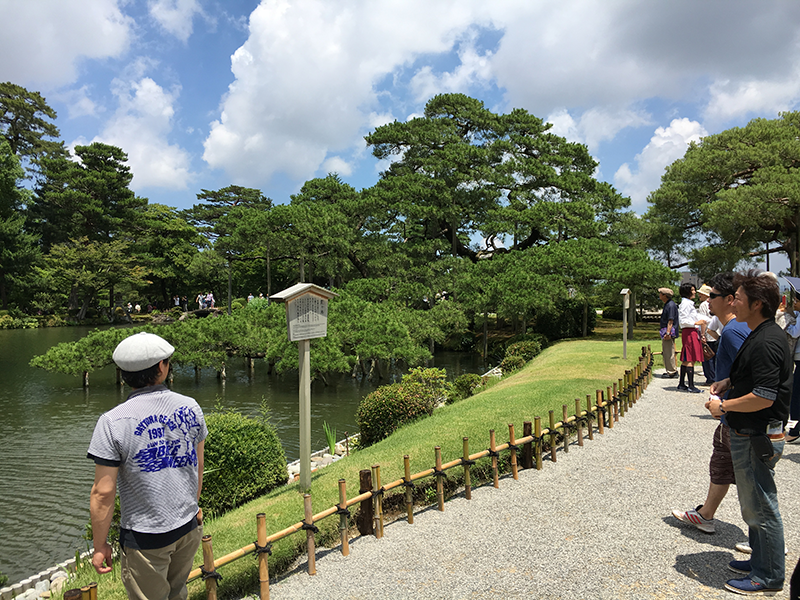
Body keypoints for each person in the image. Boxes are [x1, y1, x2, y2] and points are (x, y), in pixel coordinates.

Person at [88, 332, 207, 600]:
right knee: (178, 593)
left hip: (145, 538)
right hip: (188, 526)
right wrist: (194, 507)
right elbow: (197, 465)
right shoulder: (190, 407)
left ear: (122, 374)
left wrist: (99, 545)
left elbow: (103, 493)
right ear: (163, 367)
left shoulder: (113, 421)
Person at [706, 269, 791, 595]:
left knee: (762, 507)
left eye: (739, 297)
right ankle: (760, 560)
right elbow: (755, 379)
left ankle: (767, 577)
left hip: (758, 435)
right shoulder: (758, 332)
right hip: (750, 433)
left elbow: (764, 396)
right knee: (752, 505)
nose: (733, 301)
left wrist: (724, 406)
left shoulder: (767, 340)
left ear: (756, 304)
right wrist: (728, 382)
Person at [671, 272, 750, 534]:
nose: (708, 300)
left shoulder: (735, 331)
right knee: (721, 461)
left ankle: (765, 542)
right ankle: (706, 514)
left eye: (712, 296)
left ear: (729, 299)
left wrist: (727, 403)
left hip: (740, 416)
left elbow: (753, 373)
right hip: (730, 413)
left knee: (751, 480)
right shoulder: (729, 328)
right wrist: (724, 385)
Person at [677, 282, 706, 393]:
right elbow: (683, 320)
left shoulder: (688, 303)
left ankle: (682, 384)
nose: (694, 292)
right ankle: (691, 385)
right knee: (690, 358)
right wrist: (695, 323)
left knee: (686, 358)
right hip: (690, 330)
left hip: (691, 330)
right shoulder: (686, 304)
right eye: (693, 290)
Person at [697, 284, 716, 385]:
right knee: (715, 356)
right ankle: (715, 377)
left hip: (708, 333)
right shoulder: (716, 303)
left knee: (707, 357)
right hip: (715, 333)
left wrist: (702, 334)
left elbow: (703, 321)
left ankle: (710, 378)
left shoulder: (703, 305)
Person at [659, 287, 679, 379]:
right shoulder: (668, 304)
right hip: (667, 331)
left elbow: (670, 320)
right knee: (667, 351)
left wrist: (668, 332)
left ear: (665, 296)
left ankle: (672, 371)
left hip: (669, 332)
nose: (659, 295)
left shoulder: (670, 305)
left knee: (669, 352)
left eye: (660, 294)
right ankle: (671, 370)